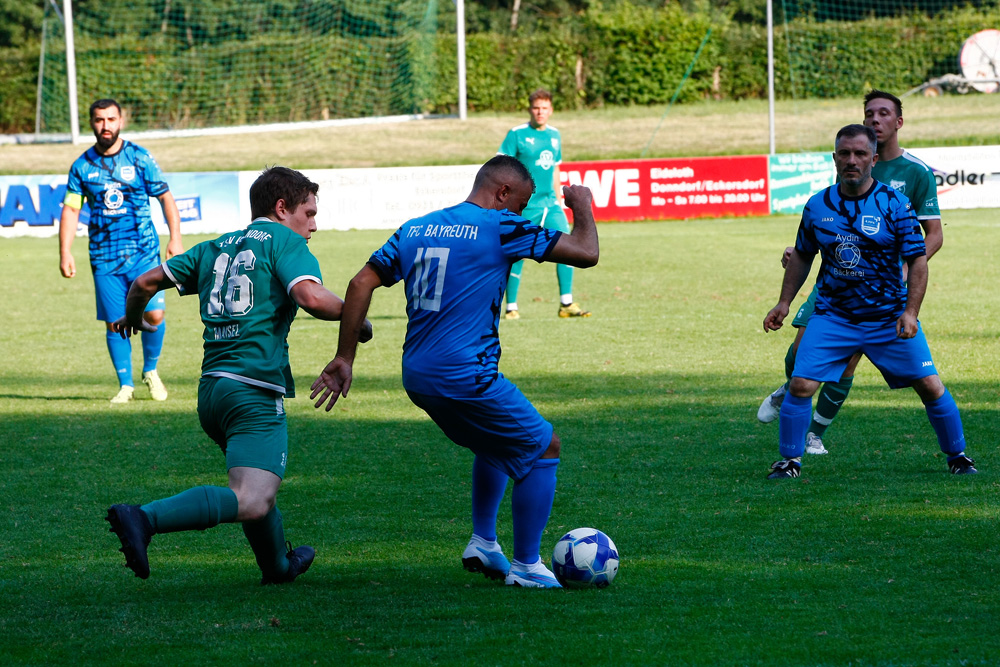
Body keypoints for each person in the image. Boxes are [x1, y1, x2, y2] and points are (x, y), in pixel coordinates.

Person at [310, 155, 599, 588]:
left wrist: (345, 357)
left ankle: (484, 541)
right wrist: (583, 206)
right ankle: (526, 566)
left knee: (495, 441)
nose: (519, 214)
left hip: (417, 376)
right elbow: (586, 253)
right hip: (464, 375)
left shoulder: (417, 227)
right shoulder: (501, 225)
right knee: (544, 446)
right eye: (518, 204)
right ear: (503, 193)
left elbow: (358, 284)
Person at [104, 166, 371, 583]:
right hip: (253, 392)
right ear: (282, 209)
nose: (314, 225)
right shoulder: (285, 240)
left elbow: (143, 282)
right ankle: (144, 518)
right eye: (309, 213)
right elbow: (311, 297)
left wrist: (134, 320)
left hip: (212, 393)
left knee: (255, 480)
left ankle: (279, 567)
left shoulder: (213, 247)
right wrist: (357, 319)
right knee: (252, 498)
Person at [762, 124, 975, 479]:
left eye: (860, 154)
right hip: (833, 316)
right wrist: (784, 302)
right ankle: (789, 461)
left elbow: (917, 260)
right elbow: (802, 254)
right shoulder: (817, 205)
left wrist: (911, 311)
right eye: (844, 153)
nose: (852, 160)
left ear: (873, 159)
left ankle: (958, 455)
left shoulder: (896, 204)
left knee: (929, 384)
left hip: (887, 317)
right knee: (800, 384)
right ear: (834, 159)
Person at [59, 98, 183, 404]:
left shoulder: (140, 158)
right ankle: (125, 385)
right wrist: (65, 251)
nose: (105, 126)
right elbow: (71, 210)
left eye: (111, 119)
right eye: (99, 120)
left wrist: (175, 238)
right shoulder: (82, 166)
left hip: (143, 251)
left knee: (154, 313)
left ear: (121, 121)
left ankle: (150, 371)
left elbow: (165, 198)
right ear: (91, 123)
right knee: (116, 321)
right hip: (104, 257)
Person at [498, 89, 590, 319]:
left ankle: (566, 304)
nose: (540, 112)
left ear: (551, 110)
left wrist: (559, 200)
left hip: (550, 204)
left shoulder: (555, 135)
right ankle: (511, 307)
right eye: (536, 108)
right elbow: (501, 167)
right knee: (516, 254)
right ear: (530, 109)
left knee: (569, 248)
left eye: (544, 108)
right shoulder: (517, 134)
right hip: (525, 206)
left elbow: (556, 167)